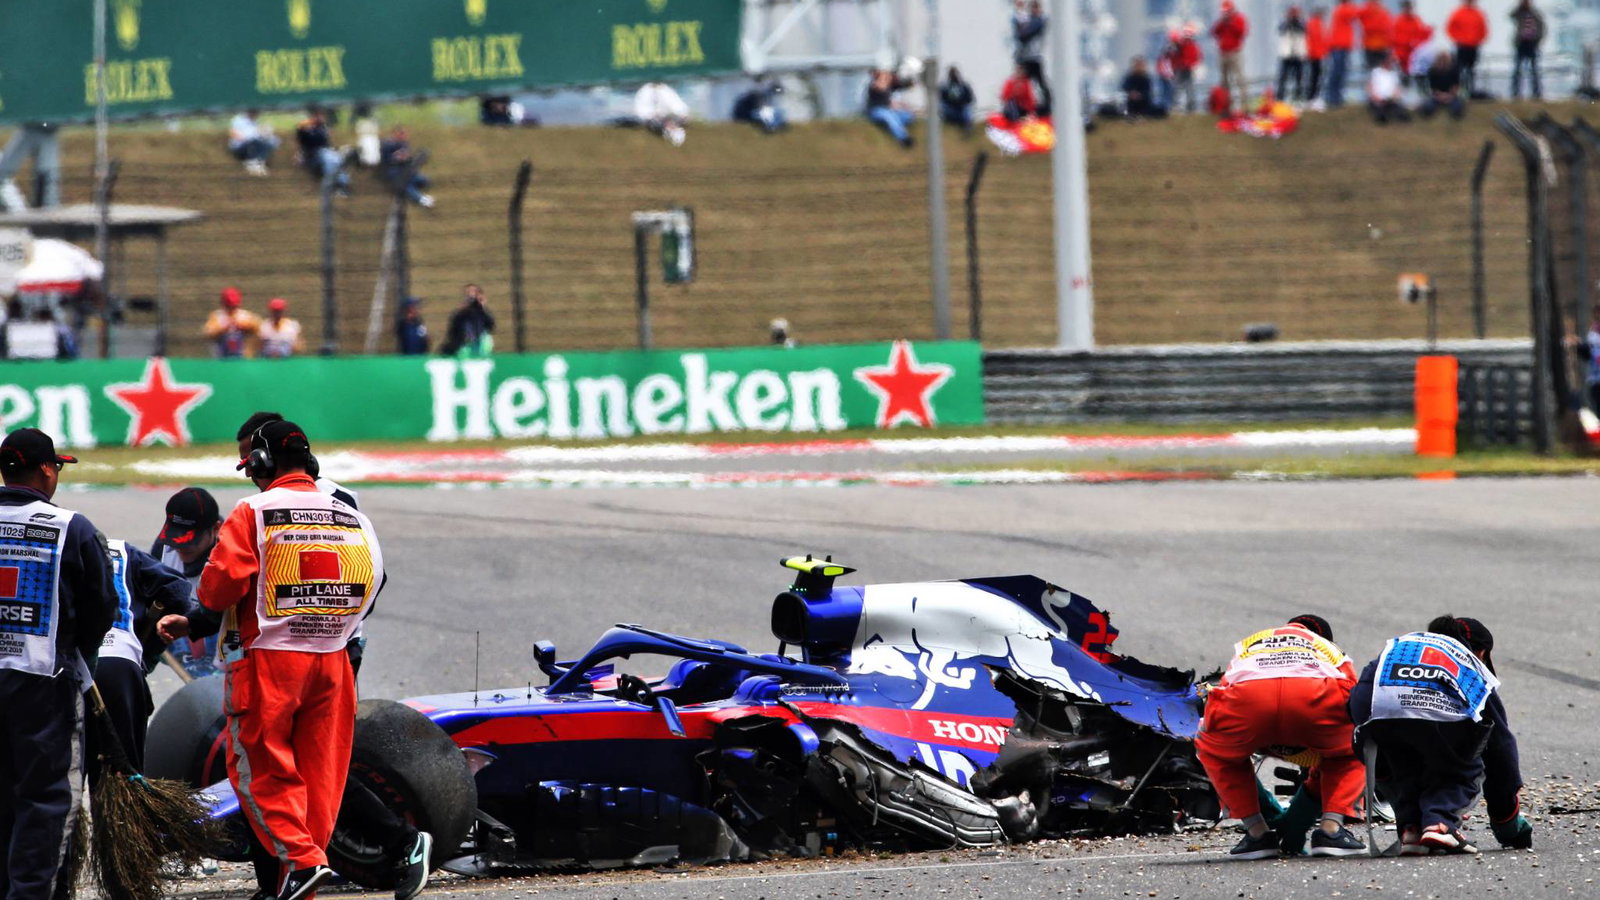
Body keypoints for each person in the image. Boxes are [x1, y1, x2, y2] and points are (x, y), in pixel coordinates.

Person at [196, 420, 387, 900]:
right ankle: (304, 878)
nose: (250, 475)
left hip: (271, 662)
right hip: (334, 661)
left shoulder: (253, 511)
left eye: (250, 467)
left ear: (261, 463)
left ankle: (303, 863)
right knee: (321, 779)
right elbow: (374, 584)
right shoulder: (350, 514)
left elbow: (217, 591)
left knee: (258, 773)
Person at [0, 428, 116, 900]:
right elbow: (101, 606)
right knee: (46, 798)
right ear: (47, 470)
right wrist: (77, 650)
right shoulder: (72, 527)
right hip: (43, 683)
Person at [1348, 616, 1530, 854]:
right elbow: (1500, 752)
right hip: (1436, 715)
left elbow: (1359, 696)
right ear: (1482, 653)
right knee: (1463, 768)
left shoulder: (1405, 646)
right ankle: (1439, 824)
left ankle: (1412, 829)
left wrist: (1371, 747)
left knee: (1400, 765)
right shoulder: (1469, 663)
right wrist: (1507, 822)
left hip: (1374, 714)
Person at [1196, 615, 1367, 859]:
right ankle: (1331, 830)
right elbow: (1354, 693)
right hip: (1314, 698)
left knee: (1218, 753)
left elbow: (1226, 683)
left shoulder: (1253, 642)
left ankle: (1257, 833)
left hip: (1249, 700)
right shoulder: (1326, 647)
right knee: (1354, 748)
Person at [91, 536, 193, 775]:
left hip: (66, 667)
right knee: (125, 769)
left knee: (72, 766)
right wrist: (146, 653)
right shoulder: (122, 549)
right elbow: (178, 592)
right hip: (120, 663)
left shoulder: (60, 542)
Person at [150, 487, 226, 679]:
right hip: (183, 636)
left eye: (191, 541)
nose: (181, 548)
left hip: (228, 640)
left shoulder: (233, 554)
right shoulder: (162, 551)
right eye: (176, 542)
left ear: (216, 529)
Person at [295, 107, 350, 195]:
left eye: (322, 116)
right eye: (318, 116)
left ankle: (343, 185)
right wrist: (299, 154)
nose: (321, 118)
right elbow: (303, 141)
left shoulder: (322, 128)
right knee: (330, 161)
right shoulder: (306, 128)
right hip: (314, 153)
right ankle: (334, 185)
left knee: (338, 159)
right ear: (314, 117)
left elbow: (327, 143)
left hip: (326, 151)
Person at [1011, 1, 1051, 115]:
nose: (1034, 10)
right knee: (1024, 84)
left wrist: (1022, 27)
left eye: (1035, 8)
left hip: (1034, 57)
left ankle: (1046, 106)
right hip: (1026, 57)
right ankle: (1023, 107)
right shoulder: (1028, 20)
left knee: (1039, 83)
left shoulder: (1038, 21)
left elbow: (1023, 35)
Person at [379, 126, 435, 209]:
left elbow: (407, 156)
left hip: (407, 170)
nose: (405, 136)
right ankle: (421, 199)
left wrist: (406, 157)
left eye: (405, 134)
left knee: (424, 181)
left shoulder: (404, 144)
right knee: (406, 185)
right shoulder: (387, 144)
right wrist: (397, 158)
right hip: (395, 173)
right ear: (395, 134)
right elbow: (387, 159)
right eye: (402, 134)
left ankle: (409, 194)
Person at [1212, 1, 1250, 114]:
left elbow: (1242, 33)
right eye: (1224, 12)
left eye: (1227, 11)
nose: (1225, 14)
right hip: (1223, 53)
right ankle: (1226, 106)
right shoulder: (1221, 21)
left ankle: (1244, 104)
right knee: (1224, 81)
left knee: (1240, 79)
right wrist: (1222, 22)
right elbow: (1214, 32)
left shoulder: (1239, 18)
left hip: (1235, 52)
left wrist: (1231, 23)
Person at [205, 286, 262, 359]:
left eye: (233, 306)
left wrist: (246, 326)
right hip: (222, 357)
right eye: (228, 306)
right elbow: (209, 333)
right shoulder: (217, 316)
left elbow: (258, 329)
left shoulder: (245, 315)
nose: (231, 309)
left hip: (242, 357)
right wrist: (223, 329)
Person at [864, 68, 916, 147]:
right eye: (885, 76)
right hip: (876, 110)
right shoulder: (874, 85)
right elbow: (881, 89)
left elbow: (902, 86)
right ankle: (904, 139)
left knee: (907, 116)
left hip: (888, 110)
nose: (888, 77)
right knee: (890, 117)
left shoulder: (888, 86)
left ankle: (891, 127)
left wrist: (909, 82)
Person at [440, 283, 495, 357]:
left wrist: (483, 308)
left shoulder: (483, 312)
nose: (471, 295)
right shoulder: (460, 313)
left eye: (474, 292)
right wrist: (462, 310)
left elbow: (491, 326)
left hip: (479, 344)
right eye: (468, 293)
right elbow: (452, 330)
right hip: (464, 345)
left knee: (486, 340)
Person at [1447, 0, 1489, 98]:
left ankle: (1470, 90)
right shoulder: (1458, 13)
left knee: (1471, 70)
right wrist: (1458, 39)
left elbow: (1483, 29)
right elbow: (1451, 28)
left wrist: (1478, 40)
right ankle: (1457, 90)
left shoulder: (1478, 14)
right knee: (1458, 69)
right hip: (1461, 46)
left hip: (1473, 46)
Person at [1509, 0, 1546, 100]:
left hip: (1531, 44)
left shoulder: (1535, 14)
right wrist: (1519, 7)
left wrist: (1537, 40)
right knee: (1517, 70)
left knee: (1534, 70)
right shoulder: (1519, 13)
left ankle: (1536, 93)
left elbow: (1542, 26)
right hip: (1521, 44)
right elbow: (1511, 16)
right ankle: (1515, 92)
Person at [1326, 1, 1361, 105]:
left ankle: (1336, 97)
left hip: (1341, 46)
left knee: (1340, 72)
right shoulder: (1343, 9)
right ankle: (1333, 97)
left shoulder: (1341, 8)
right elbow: (1357, 13)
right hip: (1339, 46)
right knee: (1337, 72)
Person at [634, 82, 690, 146]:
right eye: (674, 128)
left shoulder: (652, 121)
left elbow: (647, 114)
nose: (672, 126)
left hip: (649, 96)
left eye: (671, 130)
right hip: (656, 92)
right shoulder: (678, 117)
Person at [1392, 1, 1433, 86]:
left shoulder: (1416, 19)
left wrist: (1428, 31)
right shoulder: (1398, 21)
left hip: (1415, 54)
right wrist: (1409, 42)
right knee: (1405, 75)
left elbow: (1422, 35)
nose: (1409, 10)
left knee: (1419, 73)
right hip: (1403, 54)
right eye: (1407, 8)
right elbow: (1395, 38)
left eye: (1410, 8)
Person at [229, 109, 280, 176]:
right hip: (240, 147)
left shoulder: (256, 121)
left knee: (268, 143)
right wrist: (247, 139)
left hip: (253, 144)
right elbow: (233, 133)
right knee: (253, 142)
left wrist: (267, 135)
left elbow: (261, 135)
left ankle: (258, 163)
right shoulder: (239, 119)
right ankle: (252, 163)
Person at [1419, 50, 1466, 119]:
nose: (1443, 62)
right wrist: (1440, 96)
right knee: (1427, 107)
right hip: (1437, 96)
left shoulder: (1454, 70)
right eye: (1441, 60)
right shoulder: (1433, 71)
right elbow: (1433, 87)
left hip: (1451, 95)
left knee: (1457, 108)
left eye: (1445, 60)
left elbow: (1456, 86)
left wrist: (1449, 96)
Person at [1278, 7, 1310, 102]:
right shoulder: (1284, 23)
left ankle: (1298, 97)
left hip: (1298, 56)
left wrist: (1297, 21)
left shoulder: (1301, 23)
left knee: (1299, 79)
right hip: (1286, 55)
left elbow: (1304, 29)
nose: (1293, 16)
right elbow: (1281, 29)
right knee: (1283, 79)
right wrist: (1289, 21)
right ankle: (1280, 98)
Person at [1368, 53, 1410, 123]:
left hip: (1390, 99)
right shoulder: (1376, 72)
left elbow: (1397, 88)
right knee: (1380, 110)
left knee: (1399, 111)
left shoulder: (1394, 74)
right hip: (1378, 99)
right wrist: (1375, 97)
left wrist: (1394, 97)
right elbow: (1370, 86)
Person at [1360, 0, 1394, 71]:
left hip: (1372, 44)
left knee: (1373, 69)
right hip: (1379, 45)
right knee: (1381, 69)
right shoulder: (1383, 11)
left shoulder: (1365, 10)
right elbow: (1388, 28)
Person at [939, 66, 975, 132]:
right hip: (950, 110)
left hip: (961, 110)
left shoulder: (964, 86)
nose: (954, 76)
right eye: (952, 75)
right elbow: (941, 100)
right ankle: (942, 124)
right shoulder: (944, 87)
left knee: (967, 108)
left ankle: (967, 126)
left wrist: (962, 102)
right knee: (941, 105)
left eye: (955, 74)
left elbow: (970, 99)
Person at [1306, 8, 1329, 104]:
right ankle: (1312, 97)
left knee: (1316, 76)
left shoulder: (1317, 23)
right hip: (1315, 55)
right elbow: (1315, 39)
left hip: (1318, 55)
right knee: (1314, 77)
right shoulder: (1314, 24)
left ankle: (1313, 96)